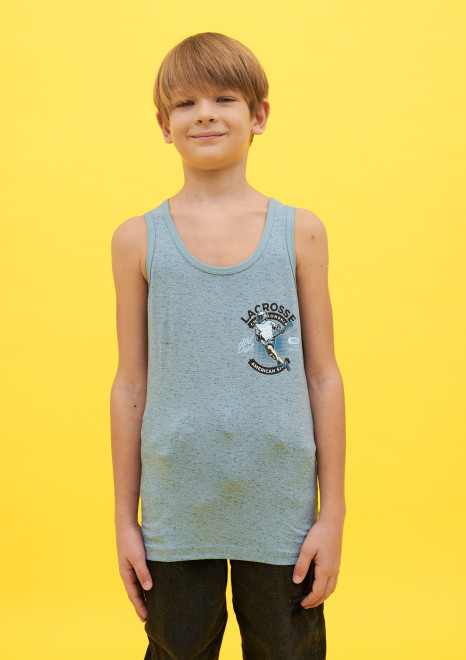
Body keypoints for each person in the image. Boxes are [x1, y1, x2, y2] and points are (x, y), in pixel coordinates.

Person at [110, 31, 346, 660]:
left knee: (288, 650)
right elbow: (130, 383)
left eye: (224, 99)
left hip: (281, 507)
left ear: (258, 115)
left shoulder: (300, 233)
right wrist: (125, 520)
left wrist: (332, 512)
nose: (205, 114)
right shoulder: (137, 241)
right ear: (163, 125)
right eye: (185, 104)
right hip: (176, 507)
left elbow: (323, 375)